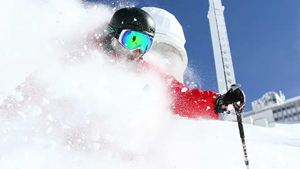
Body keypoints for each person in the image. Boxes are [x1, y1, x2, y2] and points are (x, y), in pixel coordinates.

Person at [91, 7, 245, 119]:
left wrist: (219, 102)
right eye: (133, 40)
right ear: (114, 34)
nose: (138, 50)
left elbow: (181, 97)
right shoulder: (86, 51)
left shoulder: (146, 73)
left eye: (145, 45)